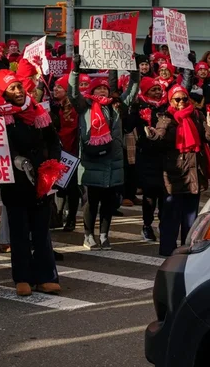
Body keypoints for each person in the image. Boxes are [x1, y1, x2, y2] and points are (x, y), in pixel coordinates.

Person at [0, 70, 61, 296]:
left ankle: (46, 276)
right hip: (15, 182)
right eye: (12, 88)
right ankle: (22, 277)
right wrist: (14, 159)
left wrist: (53, 164)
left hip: (41, 180)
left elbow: (53, 140)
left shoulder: (38, 110)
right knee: (19, 233)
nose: (18, 91)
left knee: (41, 232)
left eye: (20, 86)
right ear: (4, 92)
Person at [70, 58, 139, 251]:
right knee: (91, 202)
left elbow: (132, 91)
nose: (102, 91)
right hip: (93, 160)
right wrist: (75, 71)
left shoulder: (117, 107)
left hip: (113, 161)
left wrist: (134, 71)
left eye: (105, 88)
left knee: (109, 203)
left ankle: (104, 235)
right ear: (91, 92)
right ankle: (88, 235)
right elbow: (73, 93)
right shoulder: (85, 107)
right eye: (98, 89)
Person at [145, 84, 210, 256]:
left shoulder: (196, 114)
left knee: (191, 217)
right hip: (174, 171)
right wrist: (152, 135)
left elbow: (207, 138)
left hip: (194, 171)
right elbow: (160, 138)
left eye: (184, 98)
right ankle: (167, 250)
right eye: (177, 99)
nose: (181, 102)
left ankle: (188, 248)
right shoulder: (166, 117)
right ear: (171, 100)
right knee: (171, 215)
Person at [127, 76, 167, 242]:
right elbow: (128, 126)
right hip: (146, 156)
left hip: (164, 156)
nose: (158, 92)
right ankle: (147, 225)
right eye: (153, 89)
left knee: (165, 193)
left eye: (159, 89)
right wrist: (133, 109)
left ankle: (164, 223)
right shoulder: (138, 107)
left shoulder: (166, 107)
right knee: (150, 194)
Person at [50, 74, 81, 232]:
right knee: (59, 186)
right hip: (58, 152)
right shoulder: (55, 106)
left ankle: (71, 218)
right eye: (55, 86)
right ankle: (60, 213)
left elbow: (71, 131)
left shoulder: (73, 108)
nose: (55, 89)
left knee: (72, 188)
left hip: (72, 153)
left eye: (60, 87)